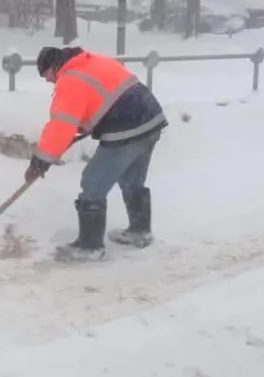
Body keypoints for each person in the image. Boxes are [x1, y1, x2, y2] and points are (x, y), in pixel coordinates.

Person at [25, 45, 168, 262]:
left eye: (45, 75)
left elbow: (61, 125)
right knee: (132, 180)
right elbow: (100, 99)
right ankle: (140, 232)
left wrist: (40, 160)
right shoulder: (90, 62)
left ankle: (90, 246)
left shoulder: (70, 78)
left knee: (93, 183)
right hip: (150, 119)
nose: (47, 81)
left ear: (53, 67)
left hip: (127, 127)